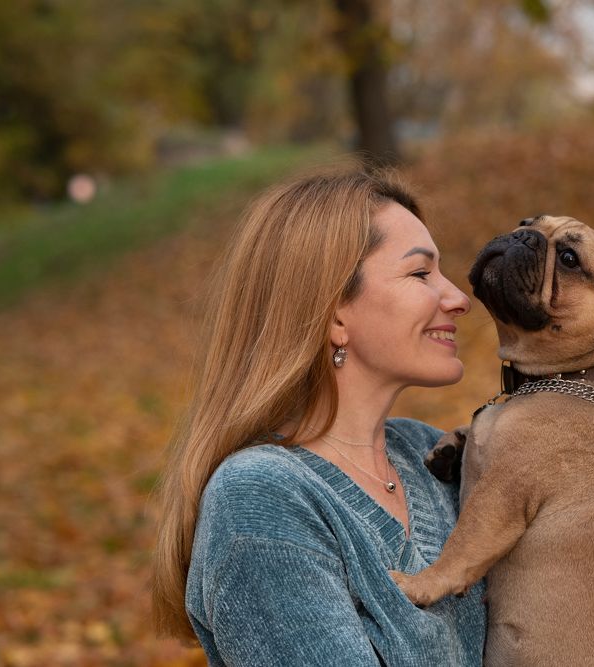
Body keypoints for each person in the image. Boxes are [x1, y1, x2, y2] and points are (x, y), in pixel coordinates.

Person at [151, 167, 486, 666]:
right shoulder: (262, 497)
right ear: (334, 312)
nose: (459, 298)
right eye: (421, 274)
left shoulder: (432, 455)